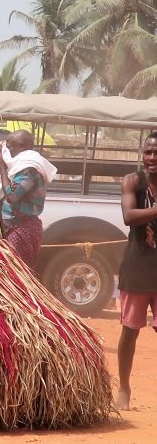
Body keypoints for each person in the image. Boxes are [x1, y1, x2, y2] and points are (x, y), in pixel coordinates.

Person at [115, 132, 157, 411]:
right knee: (130, 331)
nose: (152, 158)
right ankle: (125, 389)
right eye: (148, 152)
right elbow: (129, 217)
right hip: (138, 266)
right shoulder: (133, 181)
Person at [0, 130, 53, 269]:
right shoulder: (18, 169)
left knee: (15, 272)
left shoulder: (29, 169)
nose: (7, 151)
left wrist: (2, 166)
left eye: (10, 147)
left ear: (21, 146)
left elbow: (11, 196)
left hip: (21, 229)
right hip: (12, 227)